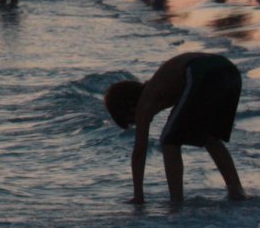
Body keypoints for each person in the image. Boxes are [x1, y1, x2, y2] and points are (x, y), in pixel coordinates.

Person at [105, 53, 248, 204]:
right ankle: (237, 192)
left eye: (132, 120)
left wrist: (138, 196)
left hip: (202, 71)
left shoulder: (145, 100)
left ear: (129, 106)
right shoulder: (163, 87)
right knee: (211, 138)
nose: (139, 122)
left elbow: (140, 151)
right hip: (229, 71)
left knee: (169, 140)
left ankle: (176, 201)